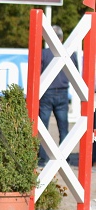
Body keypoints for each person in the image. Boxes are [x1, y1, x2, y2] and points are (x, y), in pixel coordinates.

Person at [39, 24, 76, 166]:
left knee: (43, 128)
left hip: (46, 93)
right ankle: (64, 158)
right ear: (62, 38)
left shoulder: (44, 53)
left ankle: (42, 159)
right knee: (63, 128)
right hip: (62, 93)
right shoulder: (71, 54)